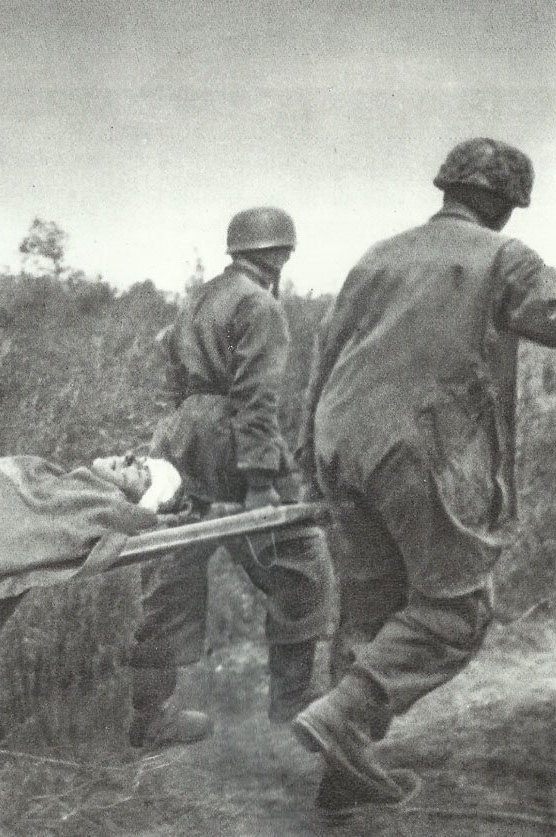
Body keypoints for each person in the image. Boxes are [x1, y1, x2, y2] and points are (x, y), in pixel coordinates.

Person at [291, 137, 556, 815]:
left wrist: (310, 461)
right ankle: (343, 715)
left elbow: (326, 353)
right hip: (419, 446)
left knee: (370, 611)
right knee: (455, 610)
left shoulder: (379, 254)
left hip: (340, 441)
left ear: (448, 187)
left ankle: (342, 778)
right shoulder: (503, 257)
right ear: (501, 202)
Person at [127, 207, 335, 749]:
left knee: (174, 566)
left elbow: (170, 372)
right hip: (232, 439)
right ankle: (292, 711)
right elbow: (257, 397)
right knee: (300, 564)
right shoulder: (260, 304)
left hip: (179, 437)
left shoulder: (198, 296)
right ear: (282, 254)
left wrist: (174, 436)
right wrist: (262, 478)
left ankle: (151, 716)